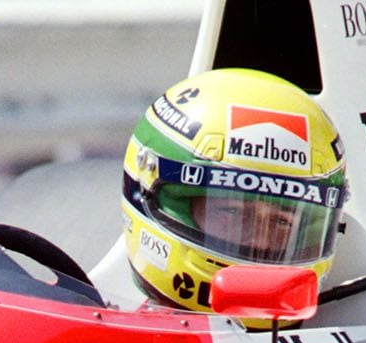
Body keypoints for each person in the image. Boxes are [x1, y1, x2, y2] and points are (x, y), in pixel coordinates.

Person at [89, 67, 348, 316]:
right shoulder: (94, 338)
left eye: (282, 221)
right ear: (151, 196)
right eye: (231, 211)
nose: (257, 242)